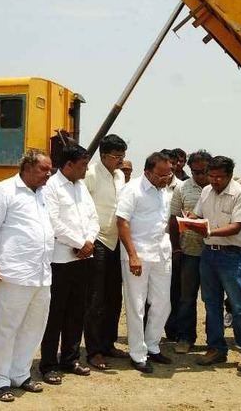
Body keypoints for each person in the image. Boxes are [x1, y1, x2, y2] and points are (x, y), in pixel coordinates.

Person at [0, 150, 55, 402]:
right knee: (7, 328)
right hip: (15, 272)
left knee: (34, 326)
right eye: (44, 169)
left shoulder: (43, 194)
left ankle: (20, 373)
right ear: (27, 168)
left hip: (42, 273)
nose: (49, 174)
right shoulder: (5, 190)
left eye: (50, 169)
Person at [188, 156, 241, 371]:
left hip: (231, 255)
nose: (215, 180)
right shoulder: (206, 191)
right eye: (212, 176)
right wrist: (189, 219)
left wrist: (208, 230)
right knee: (211, 303)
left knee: (239, 305)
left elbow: (237, 226)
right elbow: (197, 214)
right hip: (209, 253)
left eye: (219, 177)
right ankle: (216, 348)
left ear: (229, 175)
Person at [39, 145, 100, 384]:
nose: (86, 169)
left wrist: (89, 242)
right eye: (83, 165)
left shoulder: (81, 187)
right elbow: (53, 222)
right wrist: (78, 243)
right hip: (61, 259)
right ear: (68, 165)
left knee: (77, 311)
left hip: (83, 258)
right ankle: (48, 364)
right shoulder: (51, 188)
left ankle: (71, 358)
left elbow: (93, 218)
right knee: (56, 313)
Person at [116, 151, 174, 373]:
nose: (166, 178)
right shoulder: (132, 190)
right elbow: (122, 222)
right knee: (136, 305)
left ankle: (152, 345)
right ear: (148, 171)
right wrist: (132, 255)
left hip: (161, 253)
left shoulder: (165, 191)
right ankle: (138, 353)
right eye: (161, 175)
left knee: (162, 303)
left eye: (168, 174)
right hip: (138, 255)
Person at [83, 134, 130, 371]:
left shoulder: (120, 175)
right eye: (116, 157)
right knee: (95, 298)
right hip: (97, 240)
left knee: (114, 296)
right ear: (103, 156)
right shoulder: (90, 175)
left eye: (122, 156)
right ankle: (94, 350)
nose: (120, 161)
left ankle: (108, 343)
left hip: (116, 241)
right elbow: (81, 207)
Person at [169, 149, 212, 354]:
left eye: (203, 171)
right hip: (189, 252)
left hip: (215, 252)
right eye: (195, 172)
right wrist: (176, 247)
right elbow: (173, 219)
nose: (199, 176)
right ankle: (185, 337)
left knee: (212, 298)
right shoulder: (182, 188)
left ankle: (214, 341)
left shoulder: (218, 188)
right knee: (186, 298)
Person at [160, 148, 182, 341]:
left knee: (174, 291)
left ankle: (172, 330)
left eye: (174, 163)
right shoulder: (146, 186)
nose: (171, 167)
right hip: (153, 249)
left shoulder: (182, 187)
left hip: (173, 247)